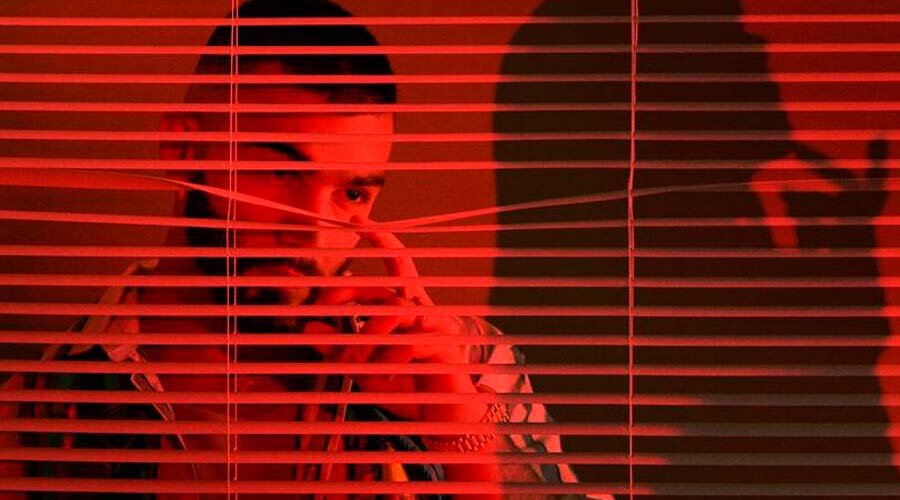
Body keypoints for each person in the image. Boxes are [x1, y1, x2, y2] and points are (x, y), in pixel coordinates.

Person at [0, 1, 592, 499]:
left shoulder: (470, 367)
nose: (312, 231)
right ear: (184, 147)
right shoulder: (38, 418)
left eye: (351, 193)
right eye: (283, 173)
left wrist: (463, 436)